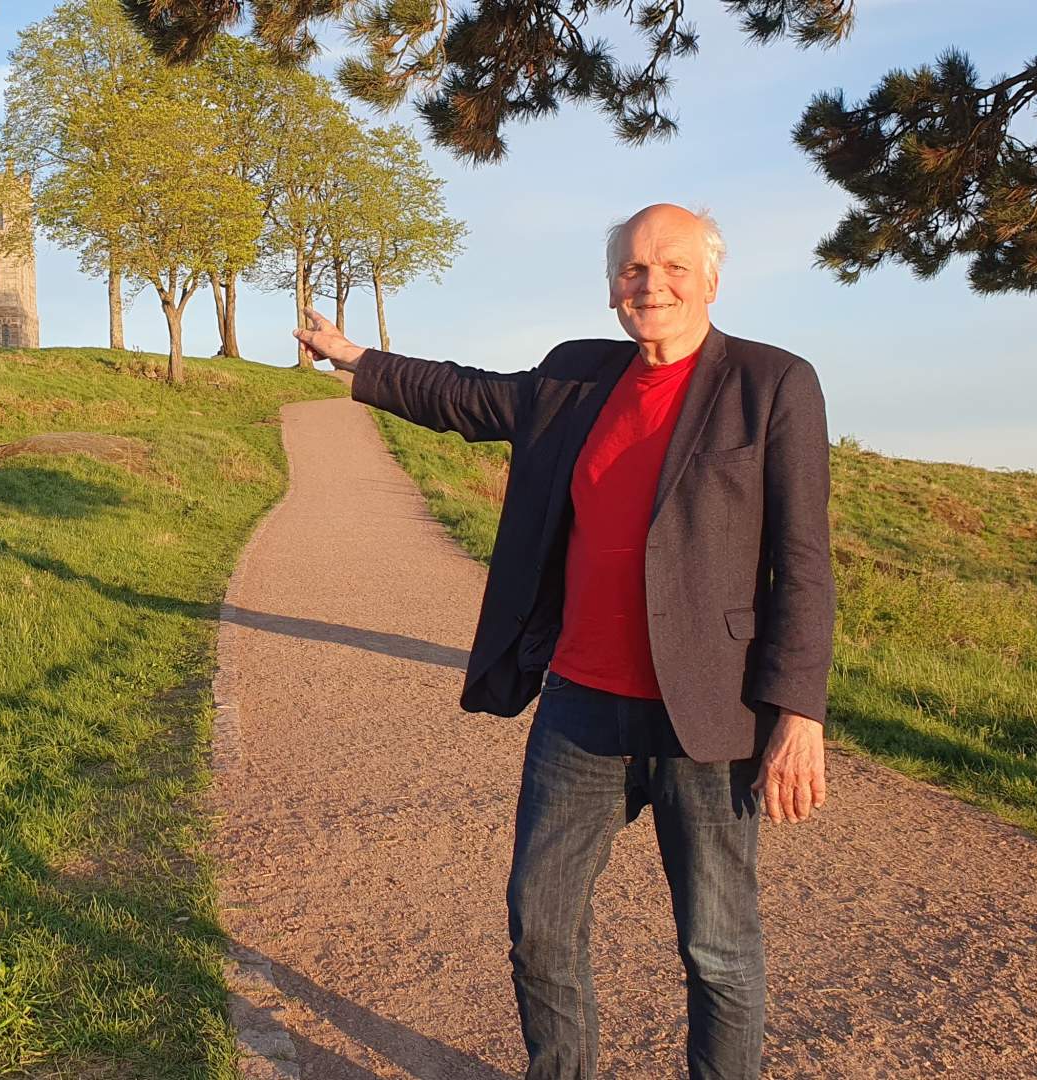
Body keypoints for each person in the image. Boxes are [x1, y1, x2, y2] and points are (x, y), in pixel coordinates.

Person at [291, 203, 835, 1079]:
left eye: (672, 267)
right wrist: (357, 359)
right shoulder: (579, 376)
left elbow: (803, 559)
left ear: (712, 280)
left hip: (708, 717)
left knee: (718, 950)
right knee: (539, 925)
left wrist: (798, 710)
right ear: (612, 284)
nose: (650, 285)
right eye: (632, 269)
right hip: (581, 709)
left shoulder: (771, 383)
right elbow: (469, 396)